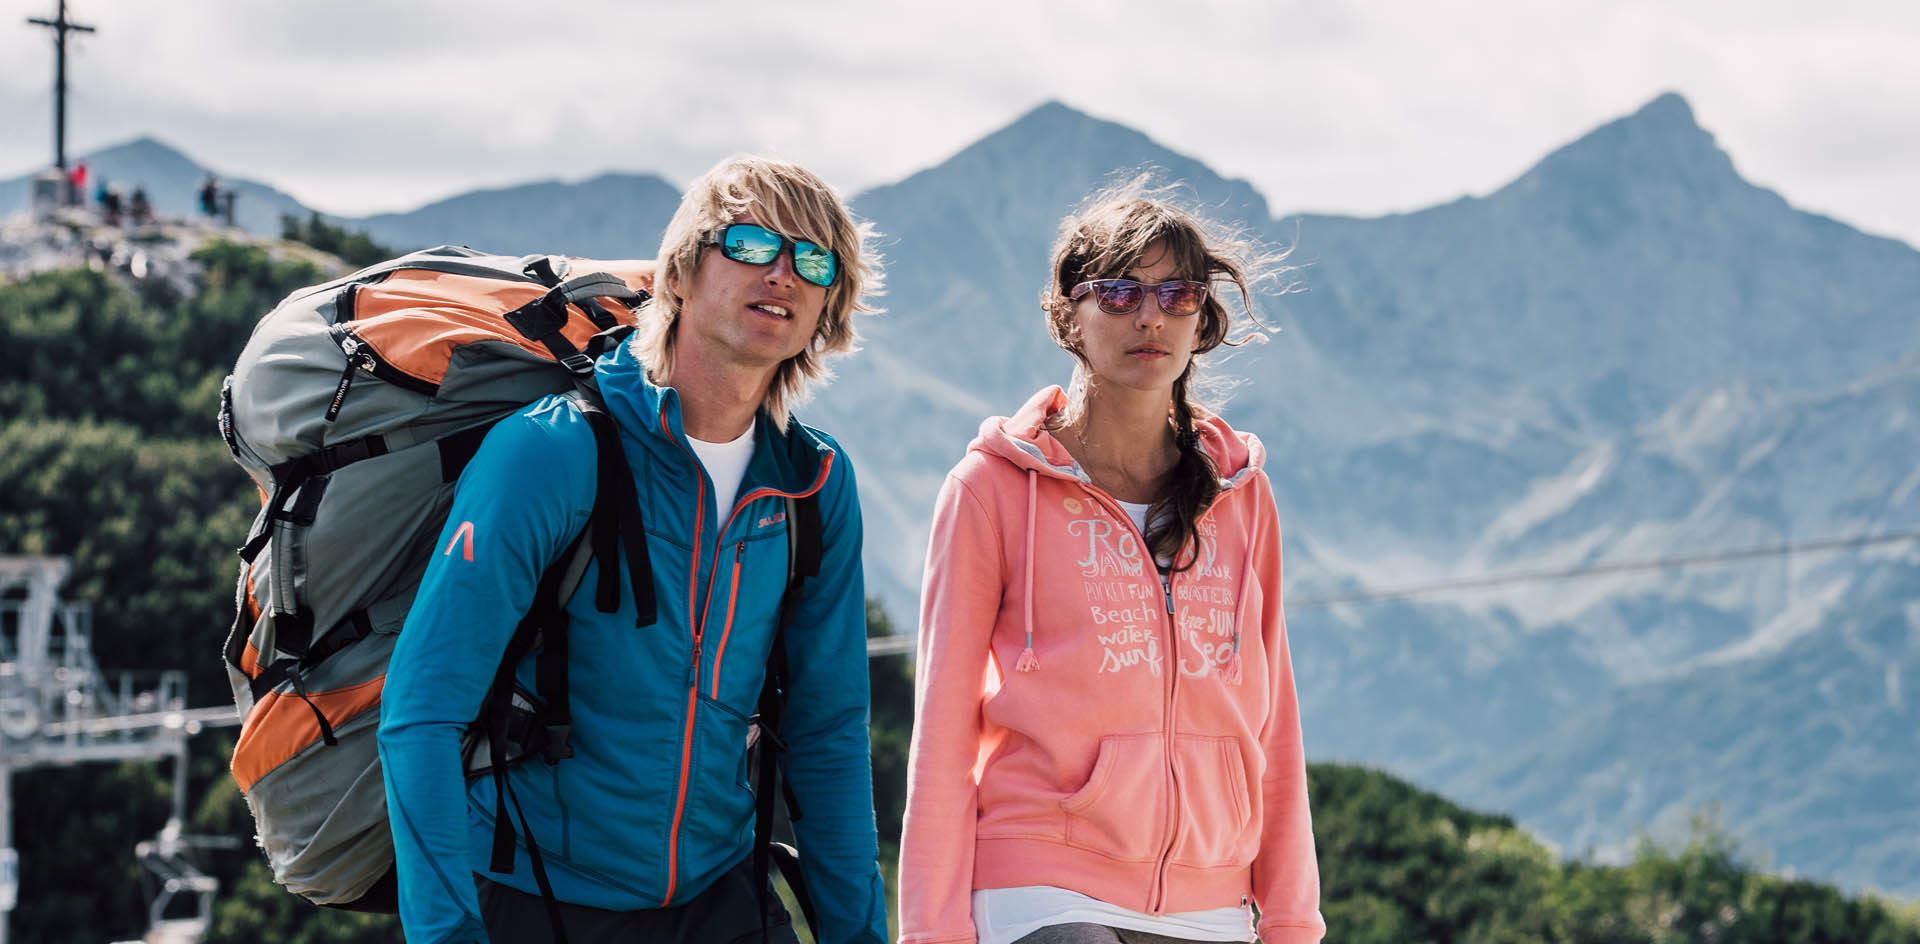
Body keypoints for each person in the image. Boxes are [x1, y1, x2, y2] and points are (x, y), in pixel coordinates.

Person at [380, 155, 889, 944]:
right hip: (537, 893)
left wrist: (858, 934)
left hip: (720, 896)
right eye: (752, 245)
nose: (783, 273)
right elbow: (422, 713)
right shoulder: (551, 454)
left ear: (829, 306)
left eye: (813, 261)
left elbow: (828, 732)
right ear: (679, 273)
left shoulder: (813, 485)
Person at [897, 184, 1325, 944]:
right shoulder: (992, 489)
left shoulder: (1240, 497)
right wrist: (933, 933)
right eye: (1120, 293)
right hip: (1042, 887)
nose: (1150, 317)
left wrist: (1292, 922)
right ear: (1070, 316)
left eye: (1177, 294)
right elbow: (942, 732)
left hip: (1214, 901)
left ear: (1201, 318)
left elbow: (1275, 720)